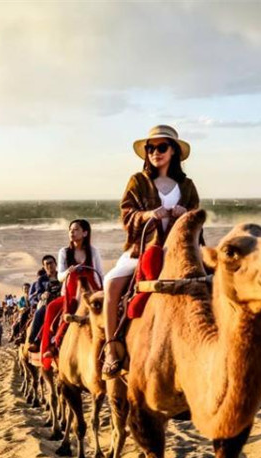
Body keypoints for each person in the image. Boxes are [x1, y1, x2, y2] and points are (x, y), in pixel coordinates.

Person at [102, 124, 199, 378]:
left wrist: (186, 214)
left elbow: (197, 218)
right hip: (144, 249)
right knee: (111, 286)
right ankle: (111, 348)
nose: (155, 152)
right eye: (150, 148)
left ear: (173, 152)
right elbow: (126, 214)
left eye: (162, 147)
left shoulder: (187, 186)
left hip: (179, 252)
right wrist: (146, 215)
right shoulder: (138, 181)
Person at [40, 219, 103, 365]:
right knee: (51, 308)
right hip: (70, 293)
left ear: (85, 233)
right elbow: (61, 276)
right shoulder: (64, 252)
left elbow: (99, 274)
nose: (71, 233)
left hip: (90, 291)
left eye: (75, 230)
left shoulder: (93, 251)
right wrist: (68, 271)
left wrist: (102, 292)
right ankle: (53, 345)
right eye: (70, 230)